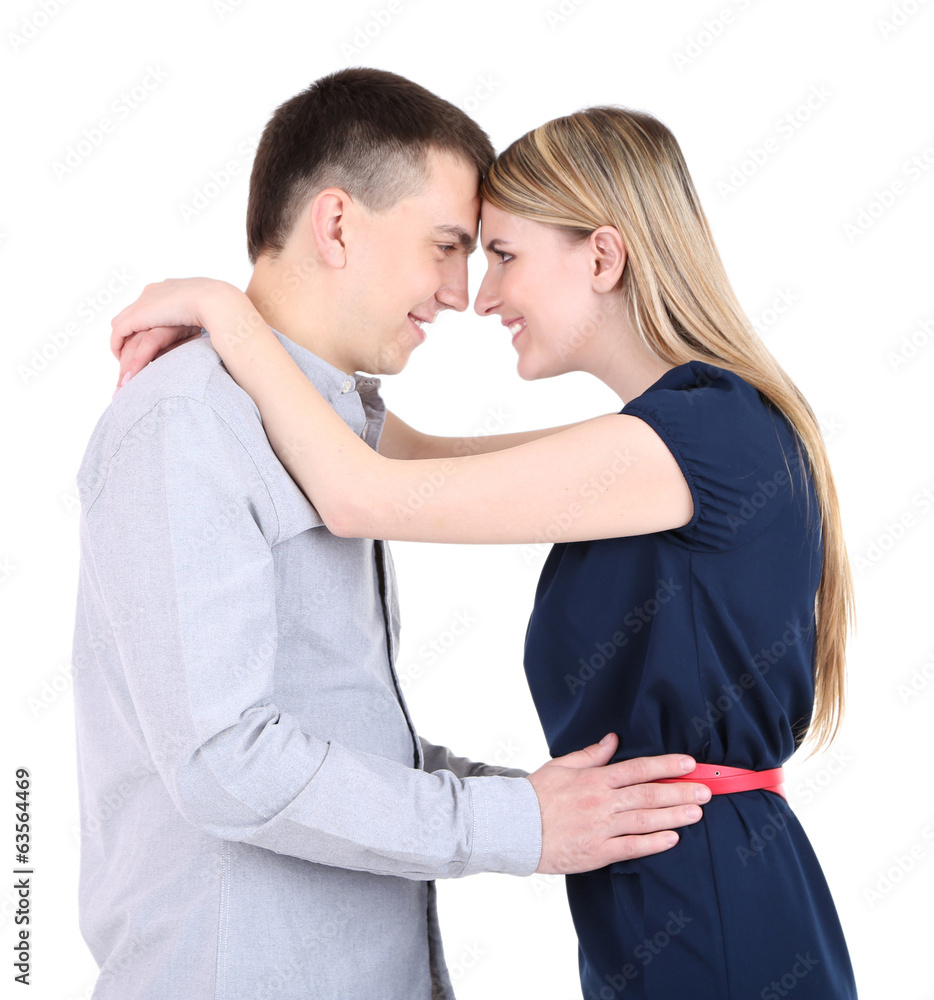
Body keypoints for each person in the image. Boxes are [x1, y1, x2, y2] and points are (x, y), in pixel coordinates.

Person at [113, 102, 860, 998]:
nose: (482, 294)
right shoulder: (664, 441)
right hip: (652, 896)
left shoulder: (704, 438)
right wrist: (266, 349)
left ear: (604, 257)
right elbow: (403, 459)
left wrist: (226, 313)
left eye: (502, 255)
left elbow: (362, 494)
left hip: (713, 910)